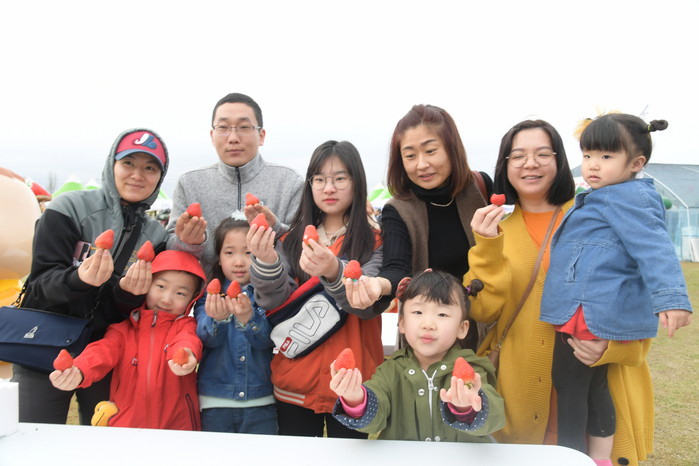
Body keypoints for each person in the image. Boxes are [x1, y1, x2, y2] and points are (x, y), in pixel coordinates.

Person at [466, 119, 659, 465]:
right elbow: (483, 310)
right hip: (522, 390)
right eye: (518, 156)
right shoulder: (497, 231)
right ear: (504, 165)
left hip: (602, 384)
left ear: (560, 161)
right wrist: (487, 246)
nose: (530, 163)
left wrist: (612, 347)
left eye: (543, 154)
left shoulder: (599, 215)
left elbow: (641, 295)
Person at [13, 128, 205, 425]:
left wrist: (126, 294)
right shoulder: (69, 208)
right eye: (128, 163)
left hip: (106, 355)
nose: (138, 175)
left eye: (150, 168)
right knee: (34, 434)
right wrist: (79, 279)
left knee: (103, 437)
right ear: (111, 165)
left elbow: (136, 308)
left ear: (160, 177)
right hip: (45, 347)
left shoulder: (154, 234)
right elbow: (39, 286)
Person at [539, 114, 692, 464]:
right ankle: (600, 459)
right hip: (591, 307)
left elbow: (654, 246)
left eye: (606, 156)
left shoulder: (628, 197)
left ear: (636, 163)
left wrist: (672, 299)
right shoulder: (607, 195)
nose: (593, 165)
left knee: (569, 387)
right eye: (588, 155)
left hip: (587, 310)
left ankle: (572, 459)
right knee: (594, 388)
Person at [248, 140, 383, 438]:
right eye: (319, 179)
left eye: (340, 178)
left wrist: (334, 270)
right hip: (294, 380)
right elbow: (275, 303)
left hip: (353, 382)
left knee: (350, 457)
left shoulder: (375, 241)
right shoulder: (290, 241)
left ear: (357, 182)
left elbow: (366, 305)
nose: (328, 188)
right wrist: (267, 259)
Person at [344, 104, 490, 350]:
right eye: (410, 156)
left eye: (431, 151)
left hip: (484, 333)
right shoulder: (398, 210)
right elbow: (397, 268)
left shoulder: (480, 188)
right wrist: (378, 285)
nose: (421, 164)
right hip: (428, 343)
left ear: (452, 149)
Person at [330, 269, 504, 441]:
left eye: (442, 314)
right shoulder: (391, 370)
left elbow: (495, 418)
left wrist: (468, 408)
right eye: (418, 312)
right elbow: (375, 419)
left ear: (462, 328)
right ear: (402, 323)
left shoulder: (472, 369)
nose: (428, 324)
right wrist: (355, 397)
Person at [48, 250, 206, 430]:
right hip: (127, 424)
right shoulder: (123, 330)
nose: (166, 299)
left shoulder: (185, 326)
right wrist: (79, 370)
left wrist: (185, 355)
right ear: (147, 284)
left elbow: (187, 341)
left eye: (181, 293)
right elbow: (102, 351)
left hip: (177, 425)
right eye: (161, 286)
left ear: (193, 298)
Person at [168, 92, 305, 275]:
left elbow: (301, 246)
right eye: (223, 127)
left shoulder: (289, 181)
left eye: (244, 127)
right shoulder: (189, 183)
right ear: (212, 136)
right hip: (207, 291)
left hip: (276, 291)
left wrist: (276, 229)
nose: (233, 138)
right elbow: (170, 247)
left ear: (261, 135)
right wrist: (188, 242)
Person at [194, 218, 277, 434]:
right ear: (218, 259)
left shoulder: (268, 296)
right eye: (229, 253)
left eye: (248, 253)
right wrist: (218, 320)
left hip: (260, 399)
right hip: (215, 400)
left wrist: (249, 318)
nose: (239, 262)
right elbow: (205, 339)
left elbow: (267, 341)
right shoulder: (209, 297)